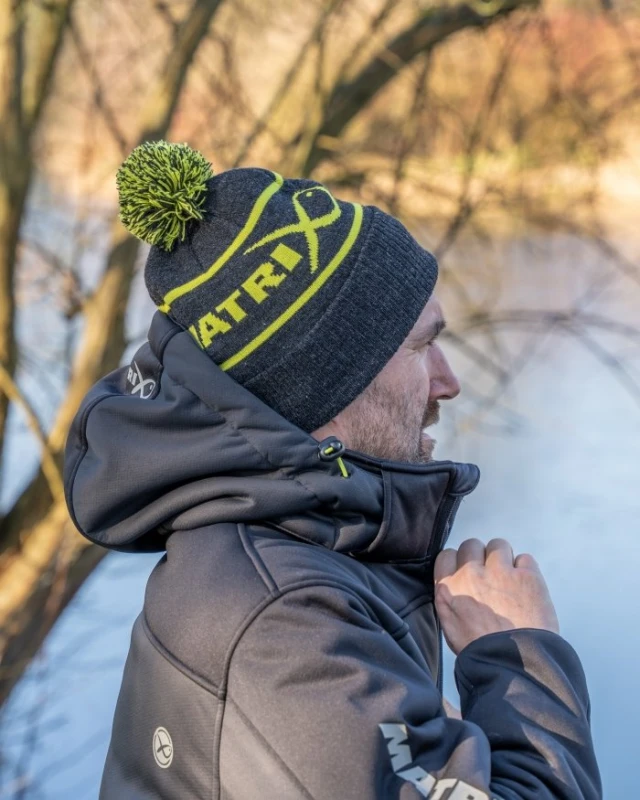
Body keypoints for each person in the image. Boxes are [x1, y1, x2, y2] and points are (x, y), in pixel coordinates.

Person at [64, 141, 602, 799]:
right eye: (423, 347)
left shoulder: (282, 555)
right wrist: (520, 655)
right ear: (327, 390)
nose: (449, 382)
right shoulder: (287, 631)